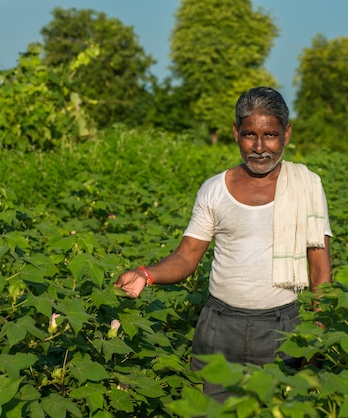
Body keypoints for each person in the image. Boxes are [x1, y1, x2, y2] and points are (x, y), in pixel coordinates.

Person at [115, 86, 332, 402]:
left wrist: (317, 339)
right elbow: (187, 256)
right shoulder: (215, 190)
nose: (259, 147)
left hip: (281, 330)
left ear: (286, 134)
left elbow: (320, 270)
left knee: (276, 408)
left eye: (270, 135)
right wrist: (145, 274)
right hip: (218, 329)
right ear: (235, 133)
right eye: (249, 135)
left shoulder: (306, 185)